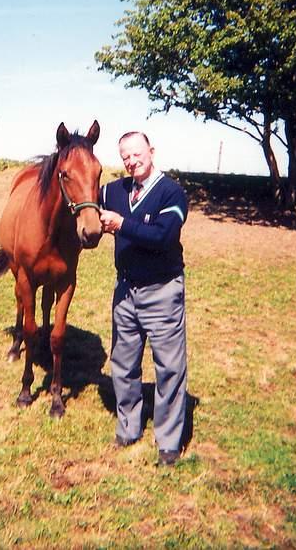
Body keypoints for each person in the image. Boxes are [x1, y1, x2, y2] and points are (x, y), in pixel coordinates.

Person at [100, 131, 189, 466]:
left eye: (136, 154)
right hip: (125, 290)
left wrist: (122, 224)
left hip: (162, 291)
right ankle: (128, 426)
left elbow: (164, 236)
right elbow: (81, 198)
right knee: (122, 363)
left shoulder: (171, 192)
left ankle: (168, 441)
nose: (131, 161)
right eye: (125, 157)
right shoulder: (113, 191)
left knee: (169, 368)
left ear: (151, 151)